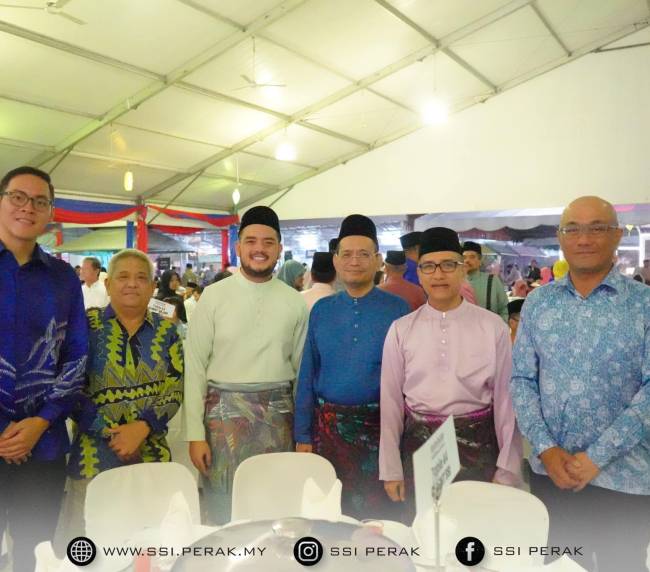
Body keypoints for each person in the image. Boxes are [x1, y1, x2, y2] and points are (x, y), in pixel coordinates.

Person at [511, 196, 650, 572]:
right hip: (553, 474)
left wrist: (596, 458)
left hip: (626, 476)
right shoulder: (538, 303)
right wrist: (545, 449)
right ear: (560, 237)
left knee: (623, 565)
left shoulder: (644, 305)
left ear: (617, 235)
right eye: (572, 229)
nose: (584, 239)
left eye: (597, 228)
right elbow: (522, 379)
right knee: (561, 563)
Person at [379, 227, 522, 523]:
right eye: (429, 266)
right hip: (419, 449)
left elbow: (507, 402)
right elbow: (390, 402)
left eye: (448, 265)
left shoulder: (492, 327)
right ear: (419, 274)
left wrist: (507, 469)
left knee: (475, 534)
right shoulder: (402, 329)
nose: (439, 274)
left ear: (462, 270)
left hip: (479, 448)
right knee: (426, 531)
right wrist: (391, 468)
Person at [183, 206, 308, 524]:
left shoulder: (295, 302)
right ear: (238, 247)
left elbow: (302, 374)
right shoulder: (213, 296)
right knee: (225, 512)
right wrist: (195, 434)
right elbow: (195, 367)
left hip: (278, 420)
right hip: (222, 420)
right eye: (251, 241)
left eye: (268, 242)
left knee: (275, 512)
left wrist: (303, 434)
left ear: (279, 248)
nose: (259, 249)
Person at [61, 249, 183, 542]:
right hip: (93, 459)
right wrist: (113, 434)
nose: (132, 284)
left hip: (151, 455)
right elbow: (70, 387)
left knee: (151, 545)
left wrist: (142, 428)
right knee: (91, 547)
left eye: (141, 278)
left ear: (152, 287)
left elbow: (175, 386)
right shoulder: (85, 326)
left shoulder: (167, 332)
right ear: (108, 284)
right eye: (123, 277)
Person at [0, 166, 88, 572]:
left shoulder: (62, 277)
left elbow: (76, 354)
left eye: (40, 201)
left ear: (50, 212)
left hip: (44, 441)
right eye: (18, 197)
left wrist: (41, 421)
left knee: (34, 553)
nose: (28, 207)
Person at [295, 215, 410, 519]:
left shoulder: (398, 310)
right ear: (335, 260)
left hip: (380, 433)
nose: (354, 261)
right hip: (327, 433)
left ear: (378, 261)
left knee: (377, 523)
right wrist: (303, 435)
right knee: (330, 517)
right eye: (346, 254)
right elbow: (308, 373)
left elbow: (408, 380)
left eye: (363, 254)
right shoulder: (322, 310)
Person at [462, 241, 509, 322]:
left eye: (472, 257)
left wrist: (498, 326)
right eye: (464, 257)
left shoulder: (492, 281)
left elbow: (505, 309)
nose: (467, 260)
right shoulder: (455, 283)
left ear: (480, 261)